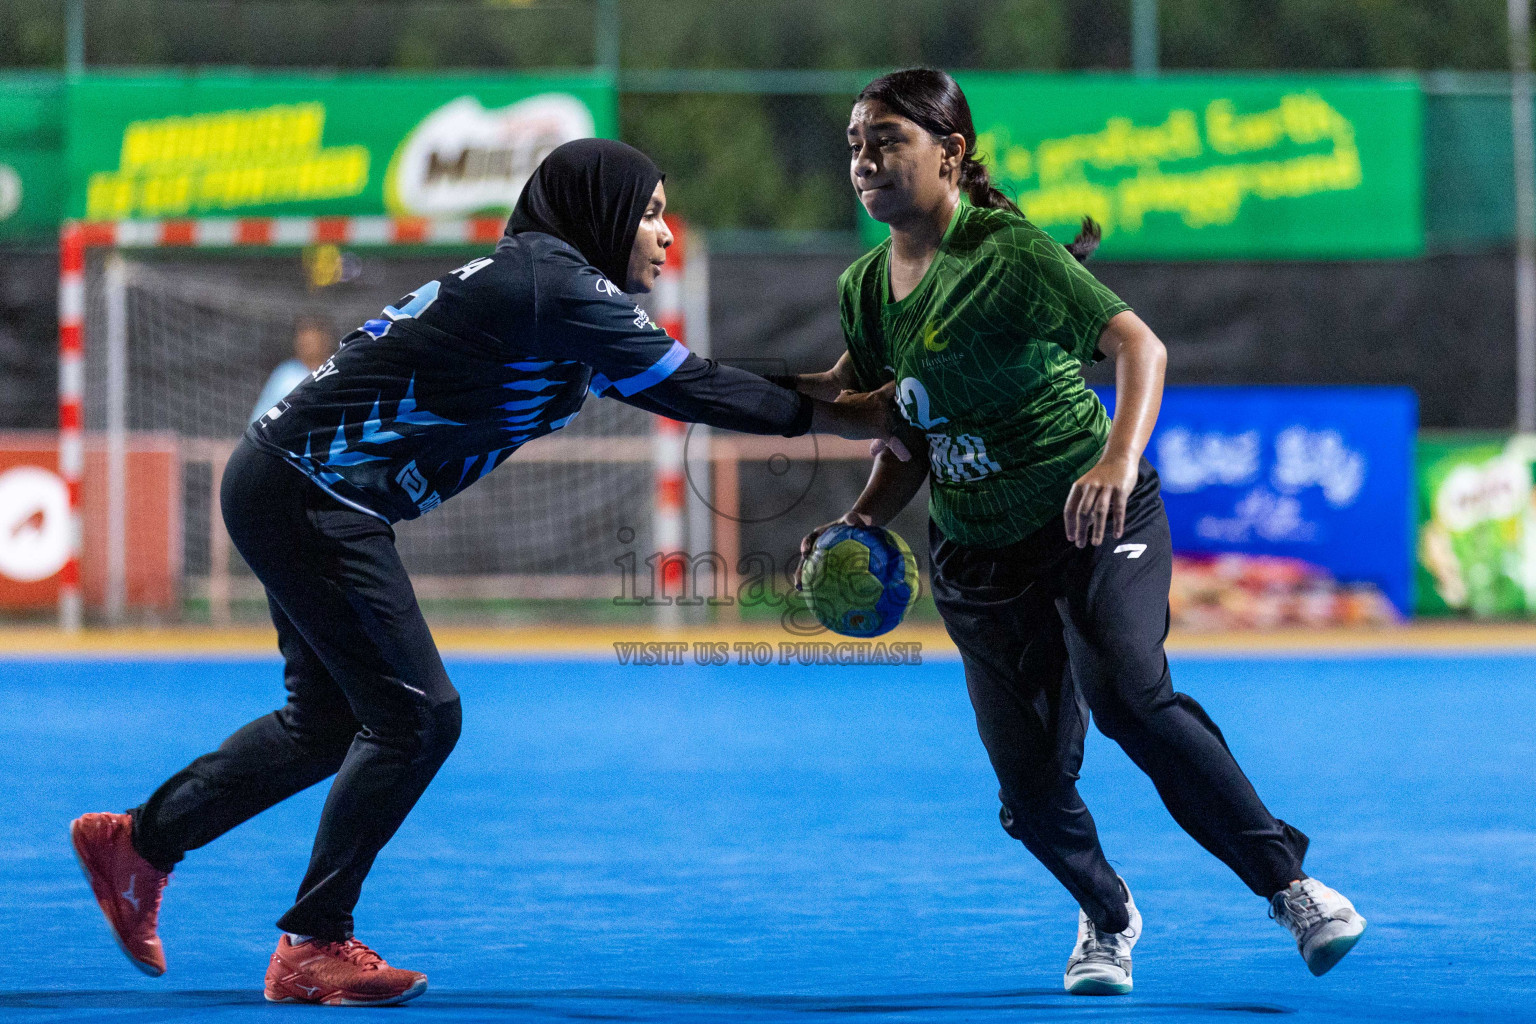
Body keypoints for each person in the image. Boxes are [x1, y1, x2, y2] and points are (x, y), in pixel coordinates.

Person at [69, 138, 906, 1008]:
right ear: (601, 216)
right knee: (419, 718)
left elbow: (694, 384)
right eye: (650, 213)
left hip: (292, 484)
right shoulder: (557, 287)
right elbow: (699, 389)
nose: (664, 235)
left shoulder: (548, 291)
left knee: (328, 723)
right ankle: (313, 941)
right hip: (310, 494)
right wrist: (848, 418)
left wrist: (839, 397)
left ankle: (139, 843)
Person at [783, 69, 1365, 996]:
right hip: (977, 559)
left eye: (887, 139)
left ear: (950, 153)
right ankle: (1108, 914)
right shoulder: (865, 287)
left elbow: (1141, 346)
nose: (865, 159)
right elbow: (896, 426)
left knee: (1131, 692)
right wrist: (851, 515)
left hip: (1094, 518)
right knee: (1029, 792)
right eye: (855, 143)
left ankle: (1291, 889)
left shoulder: (1007, 254)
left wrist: (1115, 462)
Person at [249, 314, 338, 425]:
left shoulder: (339, 371)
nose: (307, 345)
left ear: (325, 340)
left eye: (312, 342)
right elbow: (259, 420)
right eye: (303, 340)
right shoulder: (285, 375)